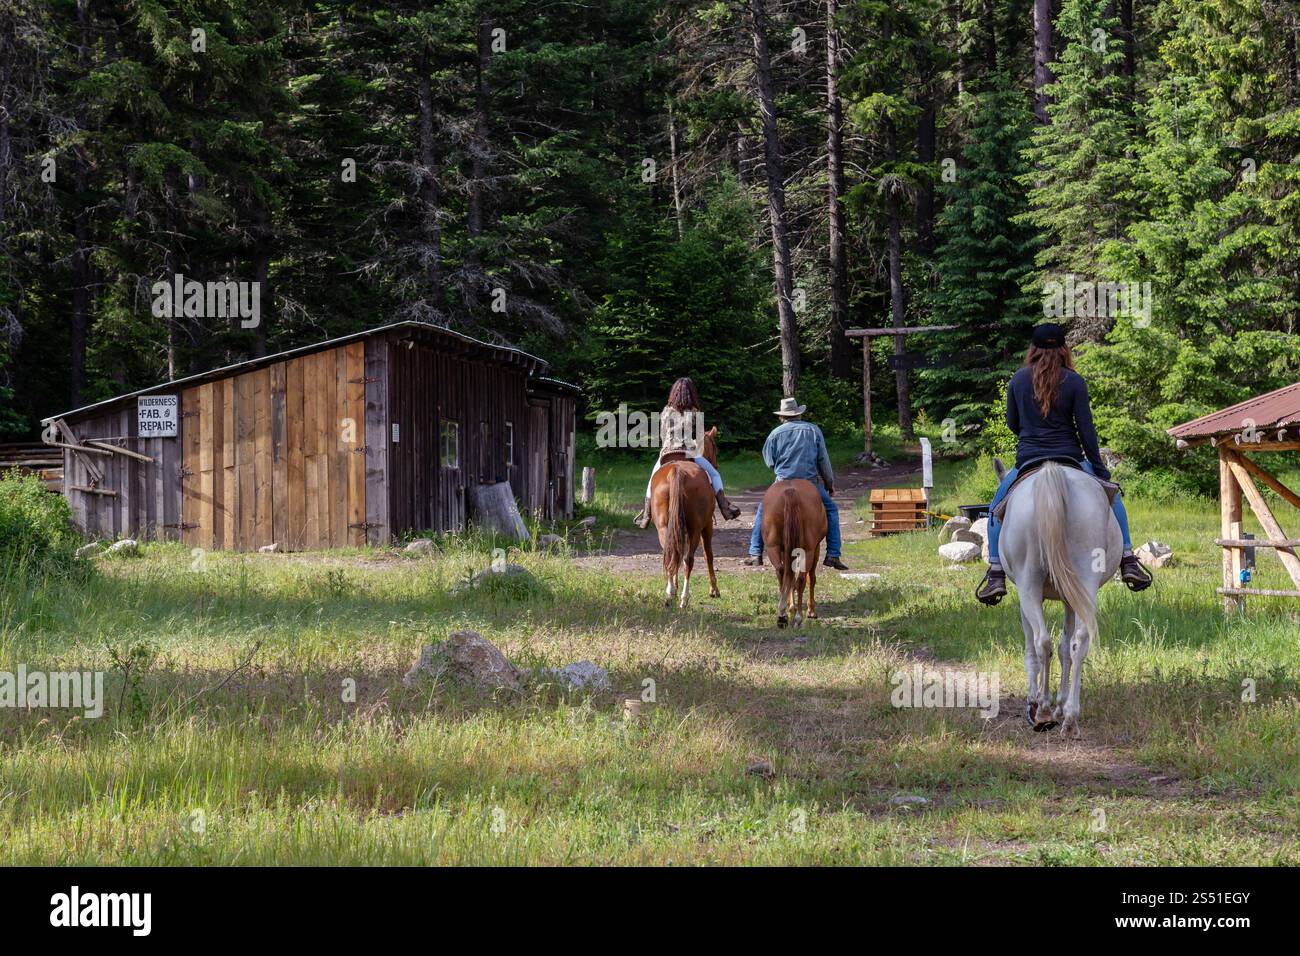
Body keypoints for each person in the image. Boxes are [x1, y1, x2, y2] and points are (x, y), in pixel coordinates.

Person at [976, 322, 1153, 605]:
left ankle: (996, 570)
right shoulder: (1074, 381)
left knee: (997, 506)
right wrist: (1100, 469)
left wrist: (1032, 432)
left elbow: (1012, 423)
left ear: (1033, 348)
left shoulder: (1018, 380)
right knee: (1112, 499)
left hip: (1028, 462)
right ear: (1063, 348)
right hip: (1071, 459)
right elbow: (1086, 431)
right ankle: (1128, 558)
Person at [742, 397, 849, 571]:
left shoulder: (775, 434)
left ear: (781, 416)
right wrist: (829, 483)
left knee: (763, 510)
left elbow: (769, 461)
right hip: (810, 483)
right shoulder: (813, 430)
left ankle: (755, 552)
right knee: (831, 510)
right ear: (799, 414)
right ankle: (833, 554)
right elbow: (823, 460)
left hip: (782, 481)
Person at [634, 377, 741, 528]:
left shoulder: (665, 411)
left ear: (673, 394)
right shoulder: (695, 412)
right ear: (691, 394)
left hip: (667, 454)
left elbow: (663, 436)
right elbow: (698, 441)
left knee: (652, 479)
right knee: (715, 475)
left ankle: (646, 515)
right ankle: (725, 507)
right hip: (689, 454)